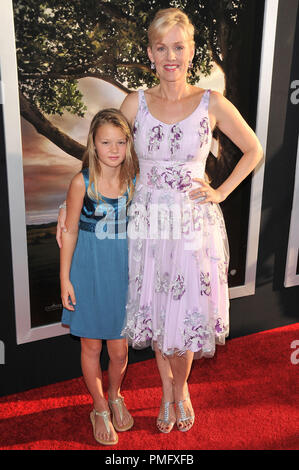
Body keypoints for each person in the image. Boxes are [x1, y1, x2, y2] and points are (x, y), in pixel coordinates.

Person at [57, 8, 263, 434]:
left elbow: (254, 149)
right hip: (147, 224)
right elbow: (105, 150)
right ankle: (166, 383)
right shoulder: (136, 102)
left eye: (179, 47)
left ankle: (177, 391)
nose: (170, 56)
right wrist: (69, 204)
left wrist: (221, 192)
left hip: (191, 226)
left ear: (191, 52)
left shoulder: (212, 102)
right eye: (161, 47)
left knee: (184, 316)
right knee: (155, 309)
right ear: (150, 53)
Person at [60, 108, 139, 445]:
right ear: (93, 142)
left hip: (122, 272)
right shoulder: (82, 182)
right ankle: (99, 407)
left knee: (119, 350)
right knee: (92, 345)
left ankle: (116, 394)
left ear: (129, 144)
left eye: (121, 142)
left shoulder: (135, 181)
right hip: (88, 271)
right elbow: (71, 231)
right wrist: (65, 279)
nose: (113, 149)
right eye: (106, 141)